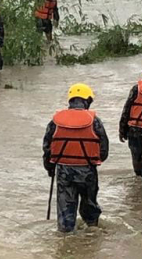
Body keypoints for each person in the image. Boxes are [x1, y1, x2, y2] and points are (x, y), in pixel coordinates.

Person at [42, 83, 110, 233]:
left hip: (64, 171)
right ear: (87, 101)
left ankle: (66, 239)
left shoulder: (56, 121)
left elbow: (47, 147)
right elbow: (104, 149)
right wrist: (93, 161)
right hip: (88, 171)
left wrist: (50, 168)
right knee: (90, 207)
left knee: (66, 211)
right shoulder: (95, 121)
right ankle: (92, 232)